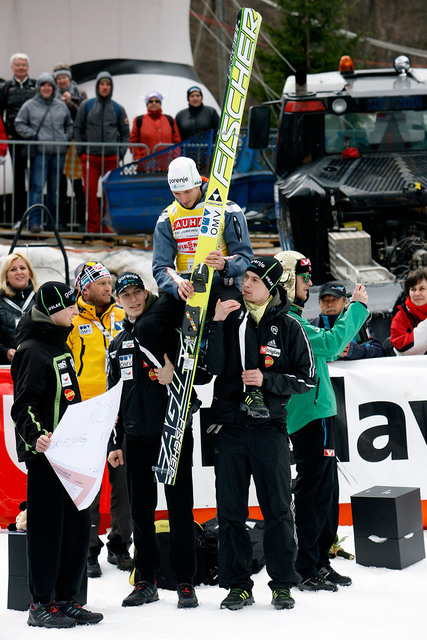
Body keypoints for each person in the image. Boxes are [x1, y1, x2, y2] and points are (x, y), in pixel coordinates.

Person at [205, 256, 316, 611]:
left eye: (253, 278)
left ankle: (283, 583)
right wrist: (217, 324)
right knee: (230, 512)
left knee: (278, 509)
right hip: (231, 429)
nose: (245, 283)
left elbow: (307, 378)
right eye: (245, 277)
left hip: (269, 428)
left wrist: (266, 380)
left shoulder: (289, 326)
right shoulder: (230, 315)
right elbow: (212, 367)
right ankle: (237, 584)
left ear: (271, 286)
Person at [276, 250, 369, 592]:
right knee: (316, 491)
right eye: (304, 278)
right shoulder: (292, 321)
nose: (310, 284)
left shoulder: (293, 319)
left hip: (316, 414)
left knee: (326, 492)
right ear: (287, 280)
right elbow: (330, 345)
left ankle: (318, 561)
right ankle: (308, 564)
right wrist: (356, 307)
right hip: (312, 416)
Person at [11, 281, 103, 629]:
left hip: (71, 454)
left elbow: (67, 398)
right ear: (52, 312)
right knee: (47, 529)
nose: (76, 312)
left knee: (77, 527)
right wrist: (36, 437)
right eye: (70, 307)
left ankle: (67, 598)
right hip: (47, 456)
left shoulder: (59, 346)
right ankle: (41, 602)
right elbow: (23, 405)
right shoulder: (33, 350)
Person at [107, 272, 199, 609]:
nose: (132, 299)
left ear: (146, 293)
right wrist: (114, 444)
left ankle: (186, 581)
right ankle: (145, 580)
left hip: (172, 429)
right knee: (141, 513)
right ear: (117, 301)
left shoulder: (166, 328)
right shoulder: (116, 345)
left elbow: (197, 367)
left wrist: (175, 375)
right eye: (124, 295)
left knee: (180, 508)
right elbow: (111, 399)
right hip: (136, 435)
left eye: (136, 292)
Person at [152, 156, 268, 416]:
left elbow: (245, 257)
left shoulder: (228, 209)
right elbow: (160, 267)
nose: (183, 198)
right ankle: (184, 391)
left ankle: (250, 392)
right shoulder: (167, 217)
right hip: (186, 288)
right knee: (149, 325)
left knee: (240, 318)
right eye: (176, 192)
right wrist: (177, 284)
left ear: (199, 183)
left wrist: (224, 264)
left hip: (218, 283)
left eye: (187, 191)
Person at [67, 262, 132, 578]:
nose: (109, 288)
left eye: (110, 283)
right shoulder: (71, 318)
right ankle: (88, 549)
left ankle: (120, 545)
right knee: (89, 483)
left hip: (122, 410)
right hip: (88, 412)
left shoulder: (122, 315)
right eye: (102, 284)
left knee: (124, 482)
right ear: (85, 288)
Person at [15, 72, 73, 232]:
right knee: (37, 188)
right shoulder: (30, 105)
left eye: (49, 85)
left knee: (54, 191)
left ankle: (53, 222)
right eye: (43, 85)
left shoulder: (61, 105)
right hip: (40, 153)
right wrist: (34, 135)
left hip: (58, 153)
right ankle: (35, 222)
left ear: (53, 87)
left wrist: (65, 138)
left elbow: (70, 124)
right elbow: (19, 123)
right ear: (39, 87)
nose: (46, 88)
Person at [73, 71, 129, 232]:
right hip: (90, 157)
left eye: (107, 84)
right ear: (98, 86)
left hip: (111, 157)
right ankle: (93, 227)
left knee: (109, 193)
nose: (105, 87)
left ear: (111, 87)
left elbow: (125, 132)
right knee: (89, 192)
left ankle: (107, 227)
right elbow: (77, 128)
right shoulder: (87, 105)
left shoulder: (118, 108)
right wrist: (81, 150)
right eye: (102, 84)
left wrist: (121, 153)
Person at [0, 53, 37, 221]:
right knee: (18, 179)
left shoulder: (36, 86)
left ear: (28, 67)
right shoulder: (5, 88)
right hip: (14, 139)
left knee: (36, 179)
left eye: (23, 65)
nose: (21, 68)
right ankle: (19, 219)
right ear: (12, 68)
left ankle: (35, 217)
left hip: (34, 139)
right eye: (17, 65)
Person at [53, 64, 87, 231]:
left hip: (74, 144)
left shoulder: (80, 94)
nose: (61, 80)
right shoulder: (51, 95)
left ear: (69, 78)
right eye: (58, 78)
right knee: (60, 185)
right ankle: (61, 223)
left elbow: (82, 114)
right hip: (59, 144)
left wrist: (69, 103)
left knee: (77, 185)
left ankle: (81, 221)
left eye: (64, 77)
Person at [313, 281, 385, 359]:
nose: (330, 304)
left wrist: (354, 350)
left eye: (334, 299)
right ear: (319, 303)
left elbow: (379, 352)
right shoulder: (311, 327)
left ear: (346, 302)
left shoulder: (358, 324)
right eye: (325, 300)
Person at [0, 251, 38, 364]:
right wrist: (5, 352)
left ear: (30, 273)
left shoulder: (41, 298)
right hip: (7, 368)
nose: (19, 272)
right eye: (13, 269)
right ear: (6, 276)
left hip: (37, 364)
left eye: (22, 268)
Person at [130, 91, 181, 162]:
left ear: (160, 103)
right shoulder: (139, 120)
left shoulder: (170, 119)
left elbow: (177, 141)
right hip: (146, 163)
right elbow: (133, 142)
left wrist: (175, 158)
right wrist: (139, 157)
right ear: (147, 104)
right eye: (151, 101)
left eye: (157, 101)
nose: (154, 103)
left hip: (167, 163)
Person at [390, 266, 427, 355]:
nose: (417, 294)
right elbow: (404, 349)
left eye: (422, 289)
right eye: (413, 289)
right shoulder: (401, 317)